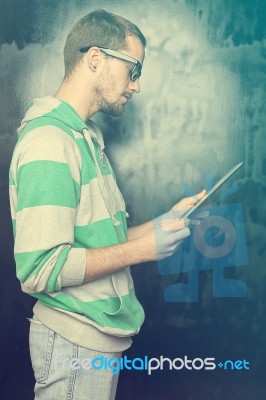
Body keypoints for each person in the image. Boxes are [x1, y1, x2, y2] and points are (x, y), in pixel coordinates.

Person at [9, 9, 206, 400]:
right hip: (72, 341)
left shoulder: (85, 138)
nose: (136, 86)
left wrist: (159, 226)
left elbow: (97, 239)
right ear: (95, 59)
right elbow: (39, 268)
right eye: (134, 70)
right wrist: (141, 250)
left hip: (95, 340)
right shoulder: (51, 141)